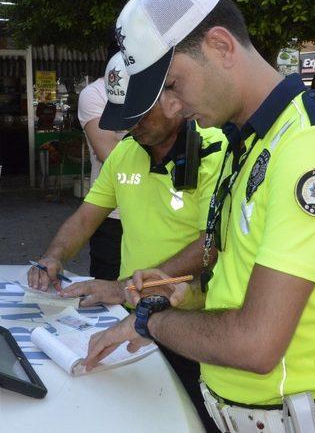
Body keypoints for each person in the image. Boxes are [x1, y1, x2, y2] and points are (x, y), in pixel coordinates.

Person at [83, 0, 315, 433]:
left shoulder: (310, 143)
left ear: (220, 46)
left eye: (173, 84)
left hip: (291, 416)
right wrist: (189, 291)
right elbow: (236, 268)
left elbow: (256, 344)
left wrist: (151, 322)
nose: (174, 108)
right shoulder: (251, 141)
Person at [29, 52, 225, 431]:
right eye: (123, 115)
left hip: (193, 326)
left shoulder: (216, 153)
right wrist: (53, 256)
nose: (130, 126)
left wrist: (121, 288)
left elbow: (210, 246)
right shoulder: (125, 154)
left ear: (173, 99)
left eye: (139, 114)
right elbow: (88, 216)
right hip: (131, 320)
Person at [77, 59, 124, 280]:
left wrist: (117, 138)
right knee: (106, 287)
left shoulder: (155, 87)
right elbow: (110, 155)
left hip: (155, 210)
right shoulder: (94, 93)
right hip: (110, 212)